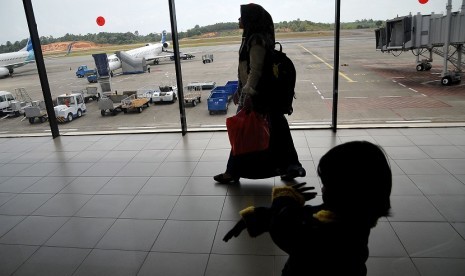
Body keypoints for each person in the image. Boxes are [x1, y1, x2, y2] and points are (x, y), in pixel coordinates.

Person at [223, 141, 392, 276]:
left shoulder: (333, 234)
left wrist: (284, 198)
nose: (323, 189)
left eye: (327, 184)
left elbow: (284, 229)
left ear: (345, 191)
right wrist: (255, 216)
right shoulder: (353, 215)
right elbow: (304, 216)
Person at [214, 3, 305, 184]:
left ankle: (233, 171)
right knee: (276, 129)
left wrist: (247, 94)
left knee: (245, 131)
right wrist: (239, 90)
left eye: (242, 17)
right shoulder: (252, 37)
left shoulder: (256, 40)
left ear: (250, 19)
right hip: (257, 93)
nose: (239, 20)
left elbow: (255, 71)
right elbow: (244, 69)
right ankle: (290, 166)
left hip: (258, 95)